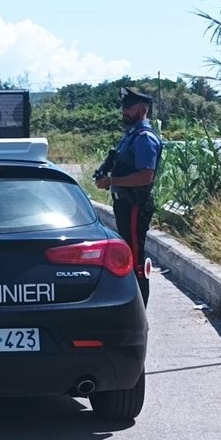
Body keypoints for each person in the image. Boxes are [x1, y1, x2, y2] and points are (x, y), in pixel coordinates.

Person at [95, 88, 162, 306]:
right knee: (130, 256)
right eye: (123, 107)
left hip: (135, 204)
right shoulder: (131, 136)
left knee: (135, 259)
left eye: (130, 107)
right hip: (125, 203)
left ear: (143, 109)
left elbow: (145, 176)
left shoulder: (144, 138)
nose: (124, 111)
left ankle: (140, 310)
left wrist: (112, 182)